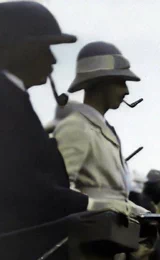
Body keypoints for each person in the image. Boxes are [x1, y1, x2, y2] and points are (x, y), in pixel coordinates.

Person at [0, 1, 89, 241]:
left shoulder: (9, 97)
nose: (53, 60)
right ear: (21, 51)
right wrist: (91, 203)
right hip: (11, 250)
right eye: (45, 49)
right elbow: (19, 186)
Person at [53, 41, 140, 202]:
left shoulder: (101, 130)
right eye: (120, 82)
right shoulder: (76, 127)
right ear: (101, 82)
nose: (126, 91)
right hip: (91, 226)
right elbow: (59, 190)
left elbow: (117, 199)